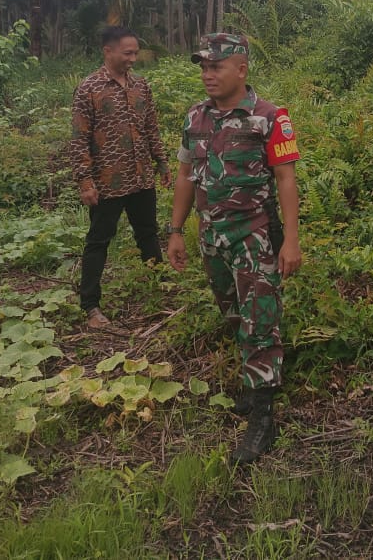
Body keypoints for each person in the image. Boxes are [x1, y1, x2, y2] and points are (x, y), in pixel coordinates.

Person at [167, 32, 301, 465]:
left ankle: (263, 416)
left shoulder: (269, 117)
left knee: (259, 320)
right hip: (213, 239)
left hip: (255, 237)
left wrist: (292, 241)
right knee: (232, 312)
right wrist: (174, 230)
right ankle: (253, 382)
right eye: (203, 67)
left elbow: (286, 180)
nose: (207, 75)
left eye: (216, 66)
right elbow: (186, 176)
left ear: (241, 70)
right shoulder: (195, 119)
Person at [71, 26, 170, 329]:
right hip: (107, 182)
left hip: (141, 177)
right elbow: (79, 139)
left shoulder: (141, 86)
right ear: (108, 51)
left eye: (135, 53)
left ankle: (159, 291)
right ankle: (90, 306)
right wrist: (85, 182)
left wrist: (162, 162)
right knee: (99, 241)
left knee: (148, 234)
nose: (133, 59)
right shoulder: (89, 88)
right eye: (128, 53)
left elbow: (151, 127)